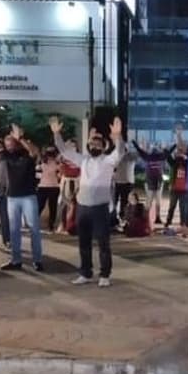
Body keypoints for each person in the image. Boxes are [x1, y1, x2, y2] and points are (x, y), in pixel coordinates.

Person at [52, 116, 123, 287]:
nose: (94, 147)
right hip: (82, 207)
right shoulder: (83, 160)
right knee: (83, 242)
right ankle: (85, 272)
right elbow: (63, 150)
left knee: (103, 243)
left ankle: (104, 275)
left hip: (100, 208)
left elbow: (120, 152)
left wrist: (118, 136)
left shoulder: (108, 161)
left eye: (98, 145)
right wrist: (56, 134)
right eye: (92, 144)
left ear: (104, 147)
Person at [0, 122, 44, 272]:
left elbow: (35, 152)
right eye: (6, 144)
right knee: (14, 229)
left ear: (16, 143)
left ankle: (37, 260)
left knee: (34, 229)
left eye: (10, 143)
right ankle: (16, 260)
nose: (8, 147)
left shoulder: (27, 153)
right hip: (12, 197)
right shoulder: (6, 155)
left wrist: (21, 138)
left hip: (29, 196)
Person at [132, 139, 167, 225]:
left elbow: (139, 150)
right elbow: (168, 152)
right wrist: (134, 143)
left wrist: (134, 143)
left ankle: (153, 217)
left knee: (153, 201)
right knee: (152, 201)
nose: (154, 151)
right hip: (154, 182)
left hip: (155, 182)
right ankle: (149, 218)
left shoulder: (149, 157)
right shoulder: (158, 157)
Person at [112, 139, 137, 227]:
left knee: (125, 202)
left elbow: (137, 155)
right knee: (114, 201)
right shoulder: (116, 157)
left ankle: (124, 219)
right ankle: (113, 219)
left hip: (127, 182)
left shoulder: (131, 156)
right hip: (118, 182)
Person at [57, 141, 81, 235]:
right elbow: (60, 167)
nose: (72, 147)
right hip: (66, 182)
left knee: (75, 204)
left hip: (76, 181)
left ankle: (72, 225)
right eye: (70, 146)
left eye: (74, 146)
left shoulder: (79, 157)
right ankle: (63, 224)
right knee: (63, 203)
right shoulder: (64, 157)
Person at [36, 147, 61, 233]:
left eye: (52, 154)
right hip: (43, 186)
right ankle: (34, 224)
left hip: (54, 187)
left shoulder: (58, 164)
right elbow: (37, 174)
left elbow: (60, 175)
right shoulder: (41, 163)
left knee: (52, 207)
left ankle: (51, 226)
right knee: (39, 206)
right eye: (49, 154)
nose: (50, 156)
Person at [165, 141, 188, 228]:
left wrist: (184, 156)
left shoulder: (187, 163)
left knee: (183, 208)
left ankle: (182, 222)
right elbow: (167, 155)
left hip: (184, 190)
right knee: (172, 207)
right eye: (178, 152)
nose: (179, 154)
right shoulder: (174, 163)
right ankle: (168, 221)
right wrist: (174, 145)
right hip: (174, 189)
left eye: (181, 152)